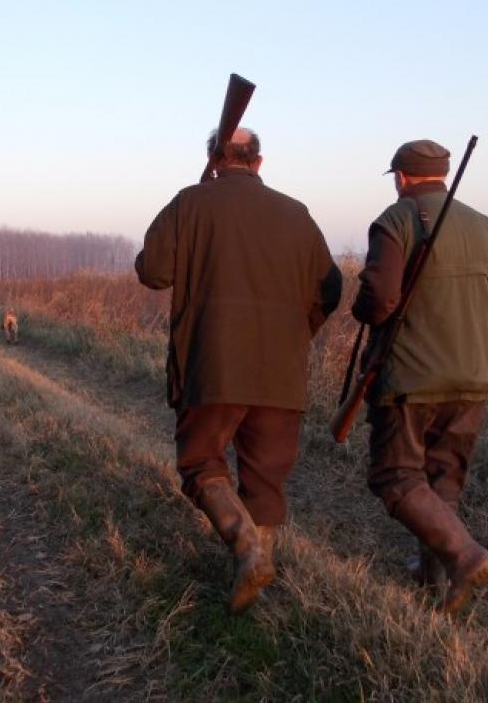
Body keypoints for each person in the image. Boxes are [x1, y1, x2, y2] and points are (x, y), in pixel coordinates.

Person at [136, 127, 341, 613]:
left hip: (213, 366)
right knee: (265, 479)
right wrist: (296, 333)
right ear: (259, 162)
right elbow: (330, 290)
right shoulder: (297, 213)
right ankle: (254, 583)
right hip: (281, 372)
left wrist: (186, 209)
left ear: (213, 158)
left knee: (201, 461)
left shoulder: (189, 203)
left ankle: (248, 552)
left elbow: (152, 271)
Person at [351, 139, 488, 614]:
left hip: (410, 379)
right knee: (444, 478)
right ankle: (435, 578)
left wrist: (360, 308)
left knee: (395, 475)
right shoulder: (483, 226)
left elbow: (380, 300)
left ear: (402, 177)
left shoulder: (395, 220)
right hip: (472, 380)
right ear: (442, 175)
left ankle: (465, 557)